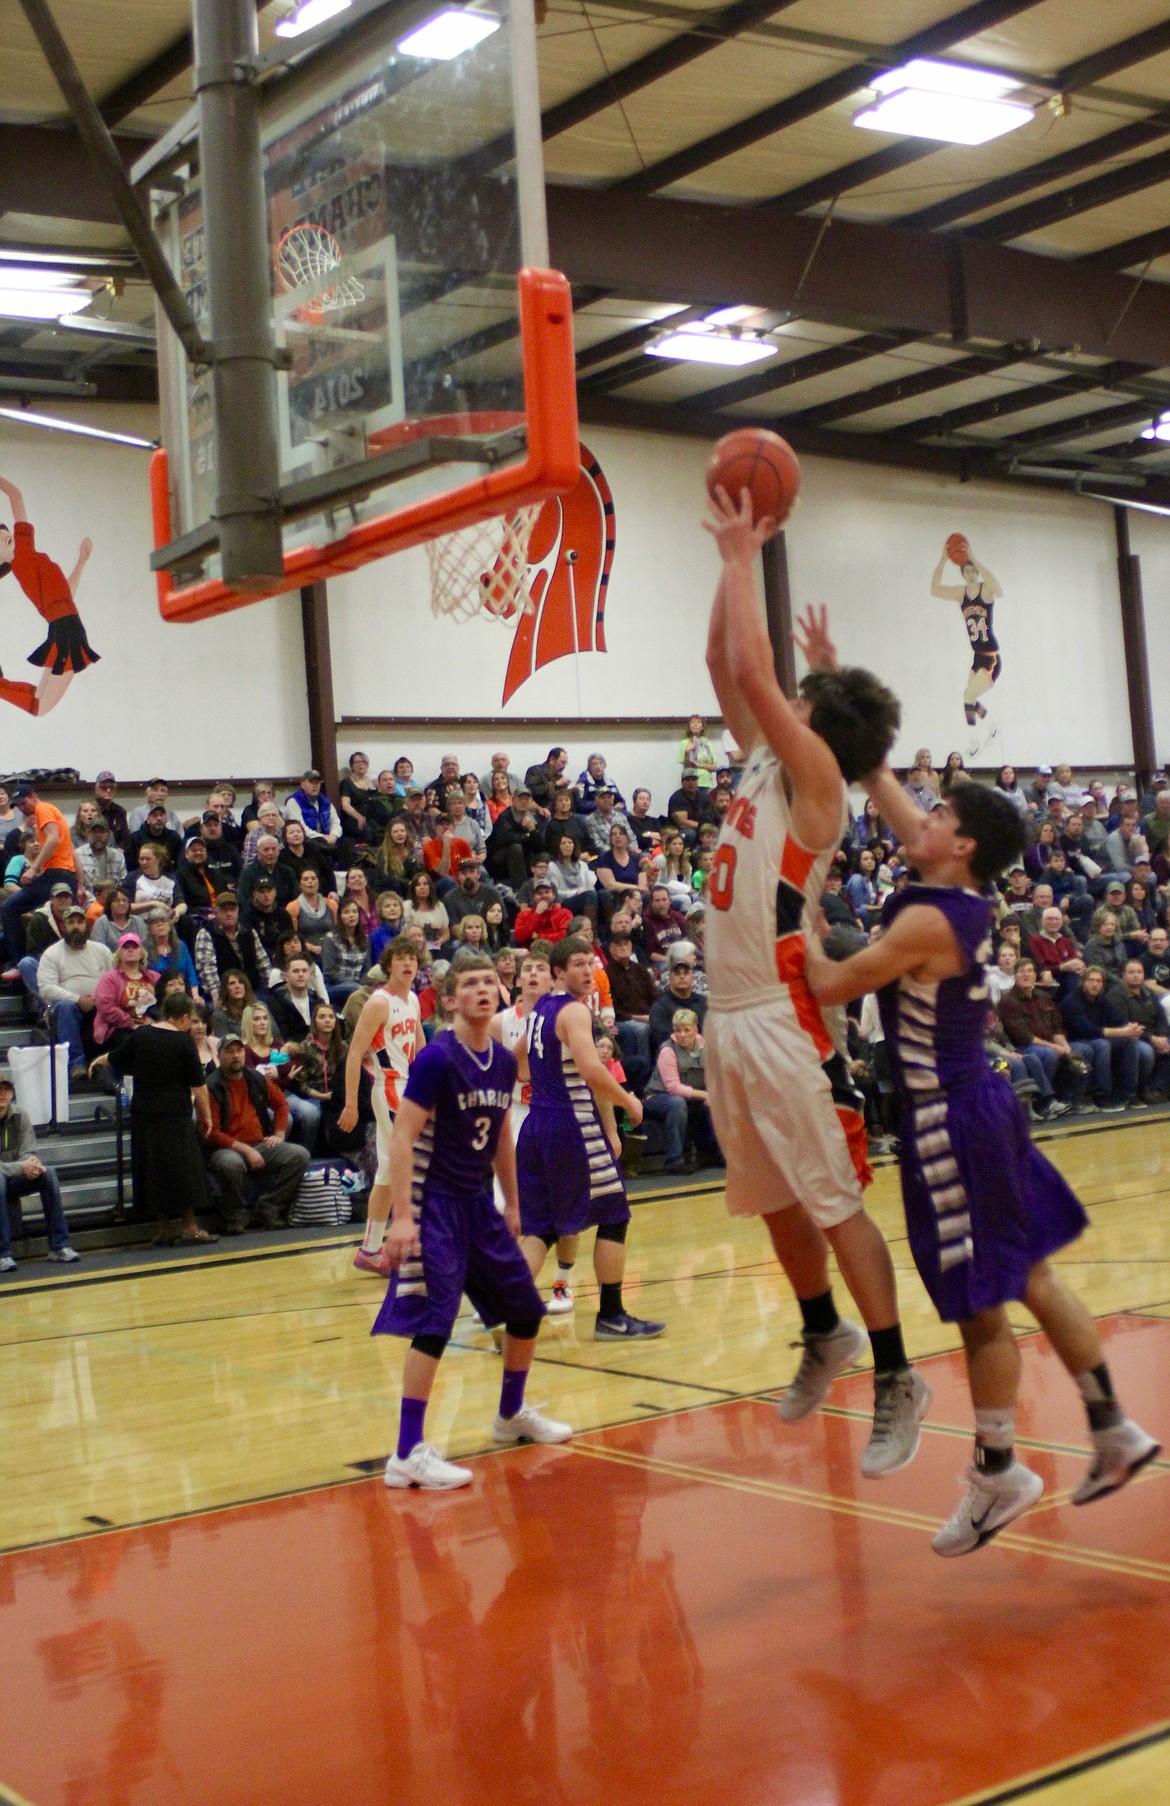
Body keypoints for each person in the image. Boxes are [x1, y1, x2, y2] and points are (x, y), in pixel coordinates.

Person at [804, 756, 1159, 1553]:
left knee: (981, 1302)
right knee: (1032, 1271)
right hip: (985, 1105)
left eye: (937, 817)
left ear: (959, 846)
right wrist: (862, 753)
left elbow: (829, 984)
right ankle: (1113, 1427)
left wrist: (783, 923)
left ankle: (1000, 1468)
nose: (919, 819)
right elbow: (903, 813)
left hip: (951, 1122)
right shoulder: (959, 890)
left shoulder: (928, 922)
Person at [702, 494, 923, 1477]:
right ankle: (821, 1330)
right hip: (727, 1017)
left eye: (801, 697)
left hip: (787, 1018)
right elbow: (726, 665)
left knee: (832, 1202)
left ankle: (895, 1375)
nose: (777, 696)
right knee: (775, 1201)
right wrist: (728, 571)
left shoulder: (819, 782)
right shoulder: (765, 762)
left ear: (815, 729)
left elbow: (752, 667)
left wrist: (743, 550)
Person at [374, 953, 571, 1489]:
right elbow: (402, 1136)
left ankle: (511, 1416)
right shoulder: (438, 1058)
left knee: (526, 1310)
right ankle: (405, 1453)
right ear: (452, 997)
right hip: (434, 1204)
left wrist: (513, 1203)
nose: (483, 989)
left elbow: (501, 1136)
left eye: (490, 981)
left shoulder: (506, 1062)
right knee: (435, 1323)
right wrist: (402, 1219)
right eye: (471, 984)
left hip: (477, 1206)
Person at [515, 935, 662, 1339]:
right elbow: (594, 1072)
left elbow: (518, 1062)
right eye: (577, 964)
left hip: (537, 1125)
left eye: (589, 963)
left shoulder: (539, 1009)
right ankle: (612, 1316)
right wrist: (629, 1101)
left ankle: (505, 1309)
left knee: (542, 1227)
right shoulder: (573, 1012)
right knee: (614, 1216)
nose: (587, 971)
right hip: (571, 1125)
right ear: (558, 972)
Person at [490, 947, 578, 1314]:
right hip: (513, 1115)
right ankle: (506, 1289)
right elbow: (500, 1074)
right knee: (505, 1209)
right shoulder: (500, 1022)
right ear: (518, 979)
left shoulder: (565, 1015)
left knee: (567, 1208)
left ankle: (562, 1285)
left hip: (555, 1113)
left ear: (552, 977)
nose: (534, 973)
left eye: (542, 968)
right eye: (528, 969)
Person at [103, 992, 218, 1247]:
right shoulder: (183, 1042)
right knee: (183, 1169)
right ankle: (190, 1227)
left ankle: (164, 1229)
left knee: (152, 1169)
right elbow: (198, 1085)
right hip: (174, 1114)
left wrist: (97, 1060)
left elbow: (115, 1058)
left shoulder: (142, 1034)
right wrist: (206, 1116)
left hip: (144, 1113)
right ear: (185, 1017)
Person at [341, 935, 424, 1273]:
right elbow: (353, 1054)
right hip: (389, 1088)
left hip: (411, 1087)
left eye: (412, 958)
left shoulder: (414, 1000)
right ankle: (416, 1242)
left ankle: (370, 1249)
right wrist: (350, 1104)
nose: (407, 964)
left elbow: (421, 1047)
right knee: (413, 1163)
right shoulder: (378, 1002)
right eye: (400, 958)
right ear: (388, 964)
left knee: (390, 1171)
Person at [202, 1033, 310, 1233]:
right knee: (230, 1163)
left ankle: (269, 1207)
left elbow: (281, 1104)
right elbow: (210, 1132)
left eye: (239, 1051)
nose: (236, 1056)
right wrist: (245, 1150)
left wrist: (279, 1134)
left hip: (259, 1143)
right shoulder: (212, 1086)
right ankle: (234, 1216)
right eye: (230, 1051)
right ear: (219, 1056)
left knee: (299, 1155)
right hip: (226, 1148)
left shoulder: (255, 1078)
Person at [930, 540, 1003, 755]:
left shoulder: (986, 590)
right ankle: (990, 727)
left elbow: (1000, 590)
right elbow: (934, 590)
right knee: (967, 697)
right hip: (977, 656)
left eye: (974, 570)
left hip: (991, 657)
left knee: (970, 696)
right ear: (963, 573)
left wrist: (976, 558)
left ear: (978, 572)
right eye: (968, 570)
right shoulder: (960, 594)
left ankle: (976, 739)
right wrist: (944, 558)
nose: (971, 573)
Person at [0, 1070, 78, 1271]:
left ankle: (59, 1246)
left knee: (48, 1173)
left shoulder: (20, 1115)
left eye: (6, 1090)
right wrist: (21, 1167)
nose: (2, 1095)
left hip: (13, 1178)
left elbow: (28, 1152)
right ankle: (3, 1253)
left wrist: (31, 1166)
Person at [35, 902, 113, 1079]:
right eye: (71, 923)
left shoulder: (102, 951)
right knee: (65, 1006)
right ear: (63, 927)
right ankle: (76, 1064)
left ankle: (110, 1066)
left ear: (86, 925)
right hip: (67, 1010)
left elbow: (114, 980)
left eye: (80, 922)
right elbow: (46, 989)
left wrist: (100, 1000)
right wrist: (78, 999)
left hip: (100, 1005)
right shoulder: (52, 953)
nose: (76, 927)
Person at [1, 783, 76, 964]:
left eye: (23, 802)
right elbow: (71, 850)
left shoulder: (43, 808)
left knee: (9, 908)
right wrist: (79, 883)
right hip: (65, 874)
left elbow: (53, 838)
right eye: (18, 805)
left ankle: (19, 961)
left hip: (55, 874)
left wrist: (34, 868)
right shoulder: (49, 812)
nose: (21, 807)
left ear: (34, 796)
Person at [643, 1007, 721, 1173]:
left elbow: (715, 1074)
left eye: (687, 1030)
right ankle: (674, 1161)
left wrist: (713, 1094)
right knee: (677, 1103)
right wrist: (705, 1094)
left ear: (696, 1029)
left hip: (691, 1096)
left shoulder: (705, 1046)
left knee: (722, 1100)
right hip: (658, 1096)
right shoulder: (668, 1050)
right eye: (678, 1030)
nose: (682, 1034)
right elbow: (673, 1088)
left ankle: (717, 1154)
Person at [93, 933, 156, 1053]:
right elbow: (106, 1007)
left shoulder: (153, 977)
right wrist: (131, 1023)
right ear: (119, 954)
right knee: (140, 1042)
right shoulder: (110, 978)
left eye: (134, 947)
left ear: (142, 953)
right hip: (118, 1029)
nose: (130, 950)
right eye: (126, 947)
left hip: (150, 1026)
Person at [679, 714, 718, 789]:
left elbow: (715, 767)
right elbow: (686, 768)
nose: (696, 724)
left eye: (698, 722)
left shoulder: (708, 743)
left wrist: (699, 765)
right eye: (693, 722)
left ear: (702, 727)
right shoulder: (684, 743)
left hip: (707, 782)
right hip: (691, 783)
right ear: (689, 727)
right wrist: (687, 752)